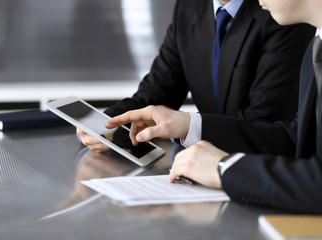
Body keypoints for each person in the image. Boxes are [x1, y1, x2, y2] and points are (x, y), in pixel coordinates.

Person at [105, 0, 322, 214]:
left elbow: (285, 141)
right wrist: (106, 126)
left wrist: (223, 167)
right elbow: (294, 138)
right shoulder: (315, 49)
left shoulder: (288, 25)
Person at [77, 0, 314, 152]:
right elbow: (155, 93)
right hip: (203, 166)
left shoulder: (283, 10)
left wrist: (188, 127)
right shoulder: (190, 7)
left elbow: (266, 123)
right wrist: (108, 123)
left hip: (260, 166)